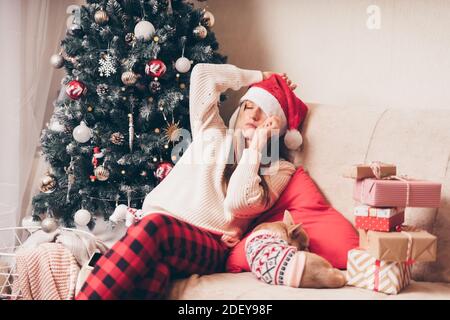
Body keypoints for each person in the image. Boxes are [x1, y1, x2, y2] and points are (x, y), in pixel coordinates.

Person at [76, 63, 308, 300]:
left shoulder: (276, 167)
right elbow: (203, 74)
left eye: (266, 114)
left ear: (276, 129)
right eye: (249, 106)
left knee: (157, 227)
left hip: (206, 242)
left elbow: (239, 203)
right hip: (152, 229)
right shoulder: (211, 130)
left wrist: (257, 146)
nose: (255, 115)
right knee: (156, 273)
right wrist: (261, 76)